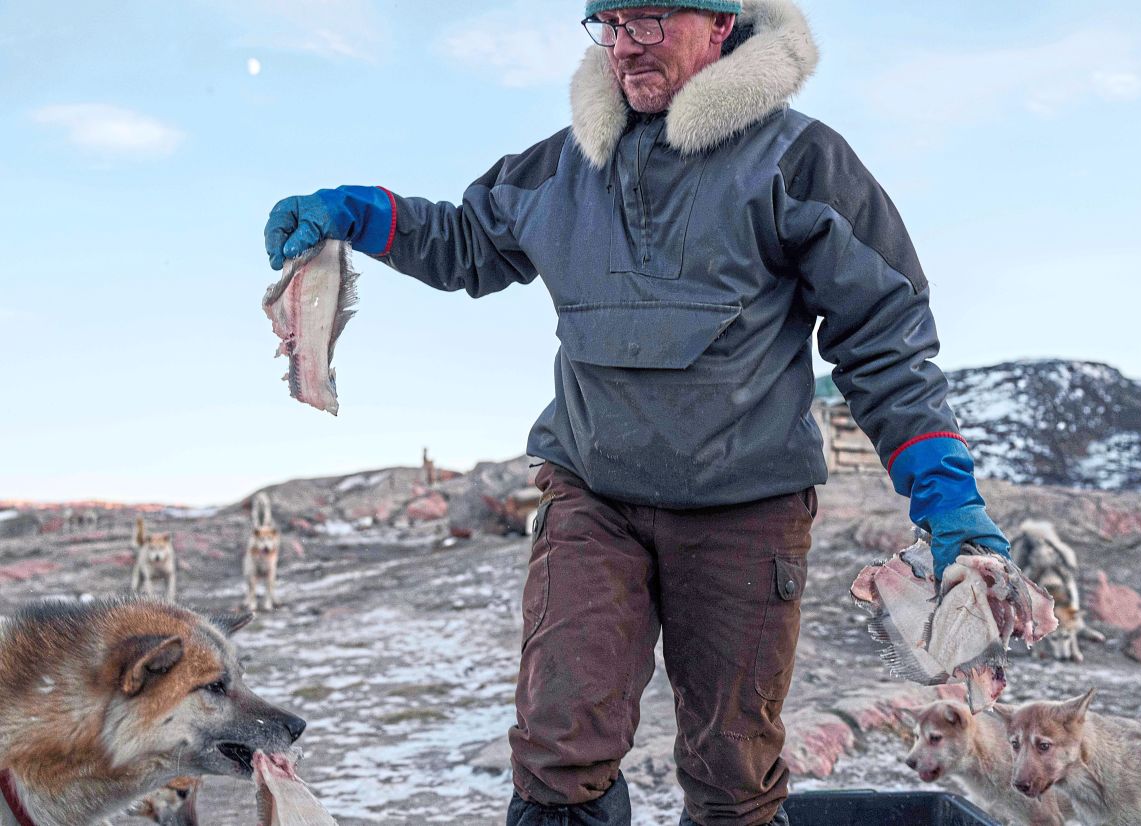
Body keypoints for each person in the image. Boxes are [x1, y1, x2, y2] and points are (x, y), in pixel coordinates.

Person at [262, 2, 1011, 824]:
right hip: (595, 496)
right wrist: (362, 213)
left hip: (745, 509)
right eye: (609, 24)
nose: (623, 47)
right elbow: (470, 243)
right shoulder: (565, 167)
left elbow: (886, 338)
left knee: (732, 771)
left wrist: (947, 497)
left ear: (722, 23)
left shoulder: (800, 161)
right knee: (559, 747)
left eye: (648, 21)